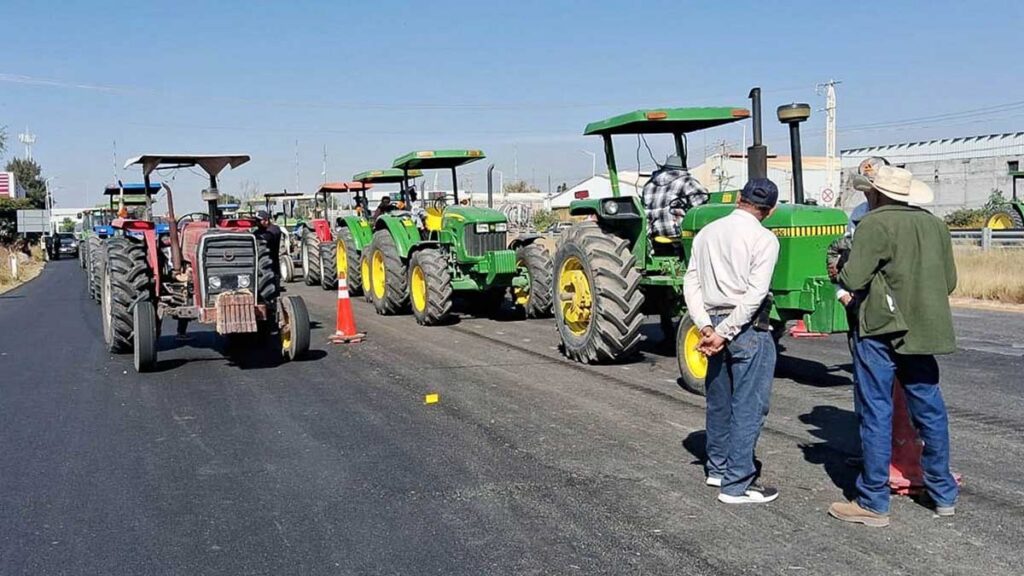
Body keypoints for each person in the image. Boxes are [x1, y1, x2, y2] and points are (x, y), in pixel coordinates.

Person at [829, 165, 959, 527]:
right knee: (929, 409)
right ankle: (942, 492)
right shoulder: (935, 224)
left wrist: (841, 274)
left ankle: (873, 501)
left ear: (876, 192)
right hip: (924, 329)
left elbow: (853, 277)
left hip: (881, 329)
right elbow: (948, 281)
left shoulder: (874, 224)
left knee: (876, 411)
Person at [683, 178, 781, 504]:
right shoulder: (765, 239)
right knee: (749, 405)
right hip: (746, 327)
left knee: (720, 399)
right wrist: (726, 333)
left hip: (711, 320)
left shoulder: (706, 233)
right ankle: (737, 483)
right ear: (770, 210)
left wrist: (706, 327)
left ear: (739, 198)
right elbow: (754, 295)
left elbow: (691, 282)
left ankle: (717, 467)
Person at [827, 156, 889, 468]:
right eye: (864, 189)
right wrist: (841, 293)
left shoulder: (906, 217)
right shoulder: (859, 214)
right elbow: (842, 260)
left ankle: (900, 455)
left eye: (872, 188)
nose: (868, 195)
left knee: (903, 389)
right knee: (866, 385)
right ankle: (870, 452)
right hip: (862, 307)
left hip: (893, 310)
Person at [642, 155, 710, 238]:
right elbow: (702, 203)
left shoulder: (649, 184)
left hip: (653, 232)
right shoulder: (686, 181)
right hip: (675, 231)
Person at [255, 210, 282, 290]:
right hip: (261, 267)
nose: (257, 223)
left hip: (272, 266)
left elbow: (267, 238)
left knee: (273, 290)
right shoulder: (258, 232)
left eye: (259, 221)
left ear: (266, 220)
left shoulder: (274, 229)